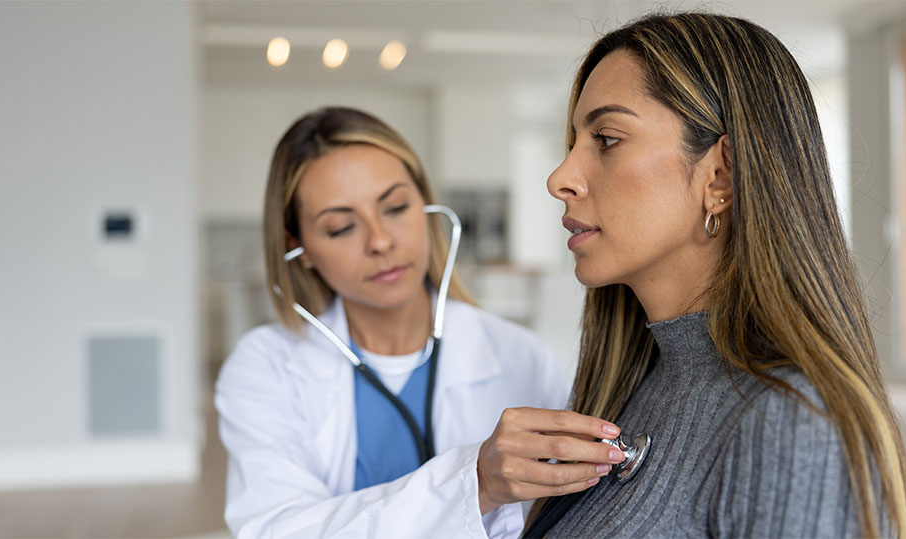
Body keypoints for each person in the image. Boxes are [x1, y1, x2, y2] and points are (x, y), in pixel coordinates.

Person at [530, 13, 906, 538]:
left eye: (606, 138)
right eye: (573, 143)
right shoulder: (638, 385)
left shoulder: (794, 425)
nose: (560, 178)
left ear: (721, 177)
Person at [215, 107, 621, 538]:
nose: (381, 241)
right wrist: (474, 484)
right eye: (340, 227)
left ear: (425, 207)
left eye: (395, 207)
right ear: (300, 246)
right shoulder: (265, 368)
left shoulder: (519, 356)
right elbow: (278, 530)